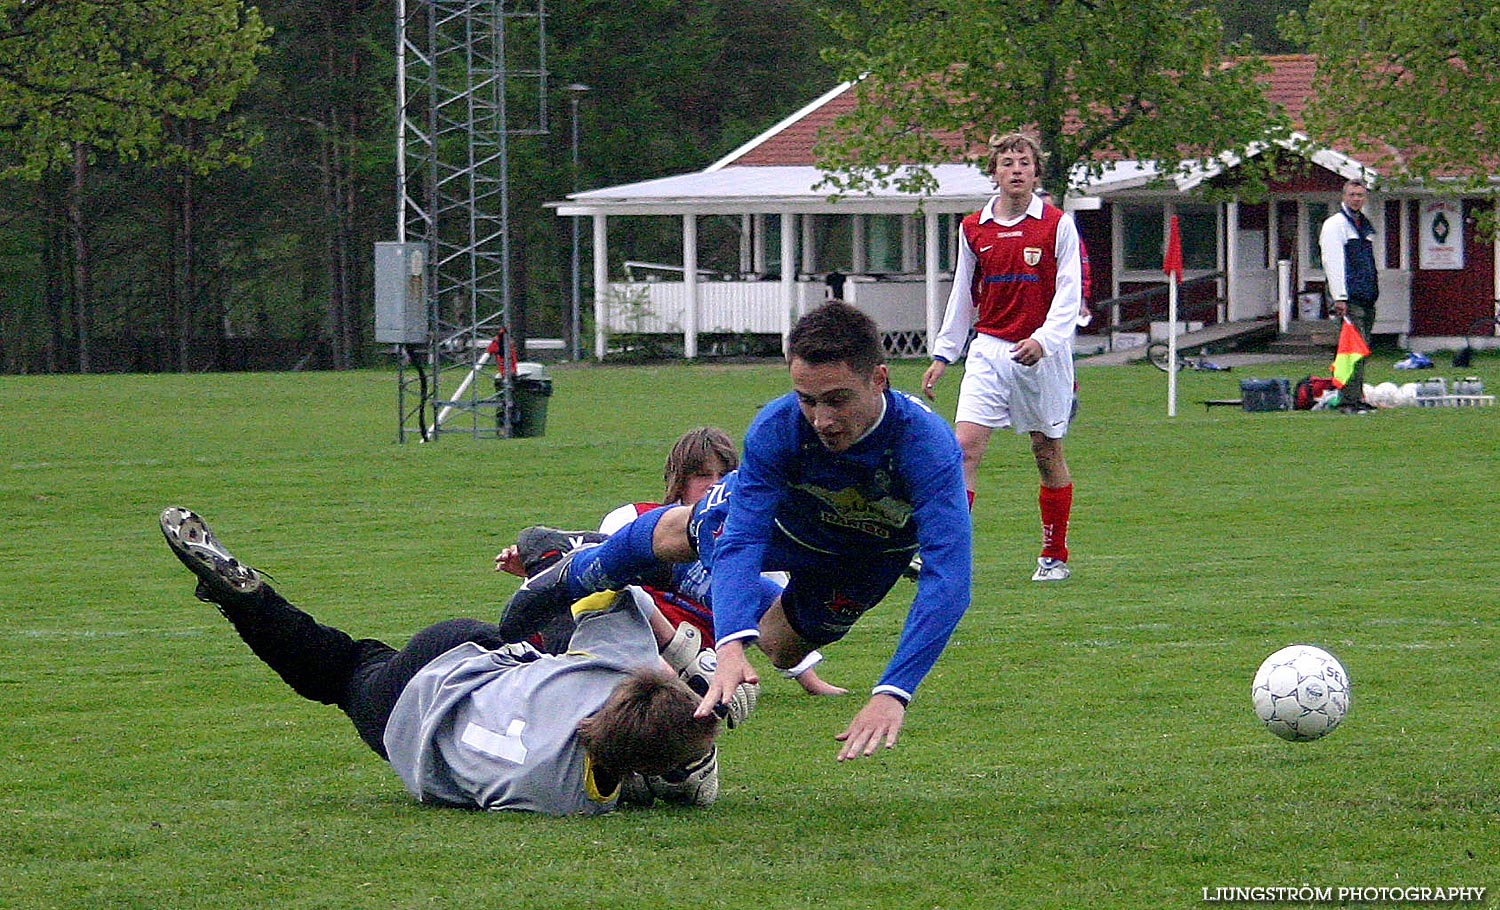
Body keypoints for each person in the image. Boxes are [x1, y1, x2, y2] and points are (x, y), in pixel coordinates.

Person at [500, 302, 972, 762]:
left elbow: (948, 579)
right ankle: (576, 566)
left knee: (782, 647)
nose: (821, 419)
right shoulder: (778, 426)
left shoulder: (927, 449)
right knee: (682, 532)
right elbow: (742, 539)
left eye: (837, 399)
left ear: (879, 379)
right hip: (783, 528)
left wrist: (894, 692)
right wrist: (728, 645)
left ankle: (673, 578)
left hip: (863, 561)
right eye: (807, 399)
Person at [159, 506, 720, 815]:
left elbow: (614, 592)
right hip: (407, 722)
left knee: (345, 663)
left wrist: (680, 655)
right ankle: (244, 600)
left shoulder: (613, 673)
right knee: (341, 670)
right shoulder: (565, 799)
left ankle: (553, 554)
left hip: (468, 654)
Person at [495, 426, 845, 697]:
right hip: (625, 631)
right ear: (680, 480)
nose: (714, 486)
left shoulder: (758, 549)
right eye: (703, 476)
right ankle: (548, 572)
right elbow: (602, 587)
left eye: (724, 477)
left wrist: (813, 682)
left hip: (692, 655)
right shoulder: (635, 518)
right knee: (612, 589)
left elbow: (775, 630)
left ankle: (553, 567)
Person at [921, 132, 1082, 582]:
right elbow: (962, 294)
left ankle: (1054, 554)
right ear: (993, 172)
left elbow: (1069, 294)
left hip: (1041, 356)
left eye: (1024, 163)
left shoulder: (1056, 224)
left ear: (1036, 172)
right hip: (989, 350)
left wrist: (1045, 340)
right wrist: (944, 354)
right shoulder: (973, 227)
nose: (1016, 169)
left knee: (1045, 450)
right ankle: (948, 556)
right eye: (1007, 162)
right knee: (964, 449)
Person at [1318, 178, 1379, 414]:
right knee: (1349, 351)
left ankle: (1356, 396)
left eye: (1360, 195)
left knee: (1361, 350)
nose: (1357, 199)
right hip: (1348, 296)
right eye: (1353, 195)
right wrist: (1339, 297)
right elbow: (1333, 262)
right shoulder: (1335, 225)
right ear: (1344, 196)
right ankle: (1347, 400)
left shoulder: (1363, 225)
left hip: (1365, 295)